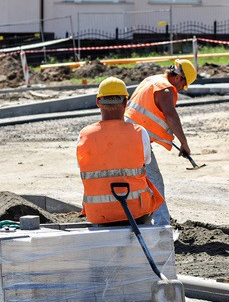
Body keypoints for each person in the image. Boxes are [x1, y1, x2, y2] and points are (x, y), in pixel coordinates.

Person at [76, 77, 164, 226]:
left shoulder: (84, 135)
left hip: (98, 214)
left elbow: (82, 166)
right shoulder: (139, 132)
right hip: (136, 212)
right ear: (125, 103)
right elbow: (146, 162)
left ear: (98, 102)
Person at [125, 59, 197, 226]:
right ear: (179, 78)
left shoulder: (151, 80)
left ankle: (137, 220)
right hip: (135, 140)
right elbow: (171, 116)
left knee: (136, 181)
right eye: (183, 85)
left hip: (128, 135)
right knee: (154, 182)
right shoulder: (165, 89)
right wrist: (184, 142)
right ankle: (162, 226)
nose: (181, 89)